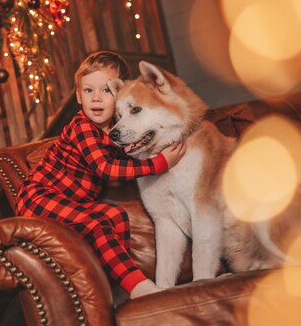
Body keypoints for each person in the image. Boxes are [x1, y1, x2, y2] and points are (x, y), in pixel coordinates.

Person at [14, 51, 187, 299]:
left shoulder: (119, 129)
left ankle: (115, 287)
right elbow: (106, 168)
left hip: (72, 204)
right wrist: (158, 164)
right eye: (88, 91)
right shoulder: (82, 126)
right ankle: (140, 288)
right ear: (78, 96)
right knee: (97, 225)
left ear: (120, 94)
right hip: (38, 198)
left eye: (106, 90)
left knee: (115, 215)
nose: (96, 98)